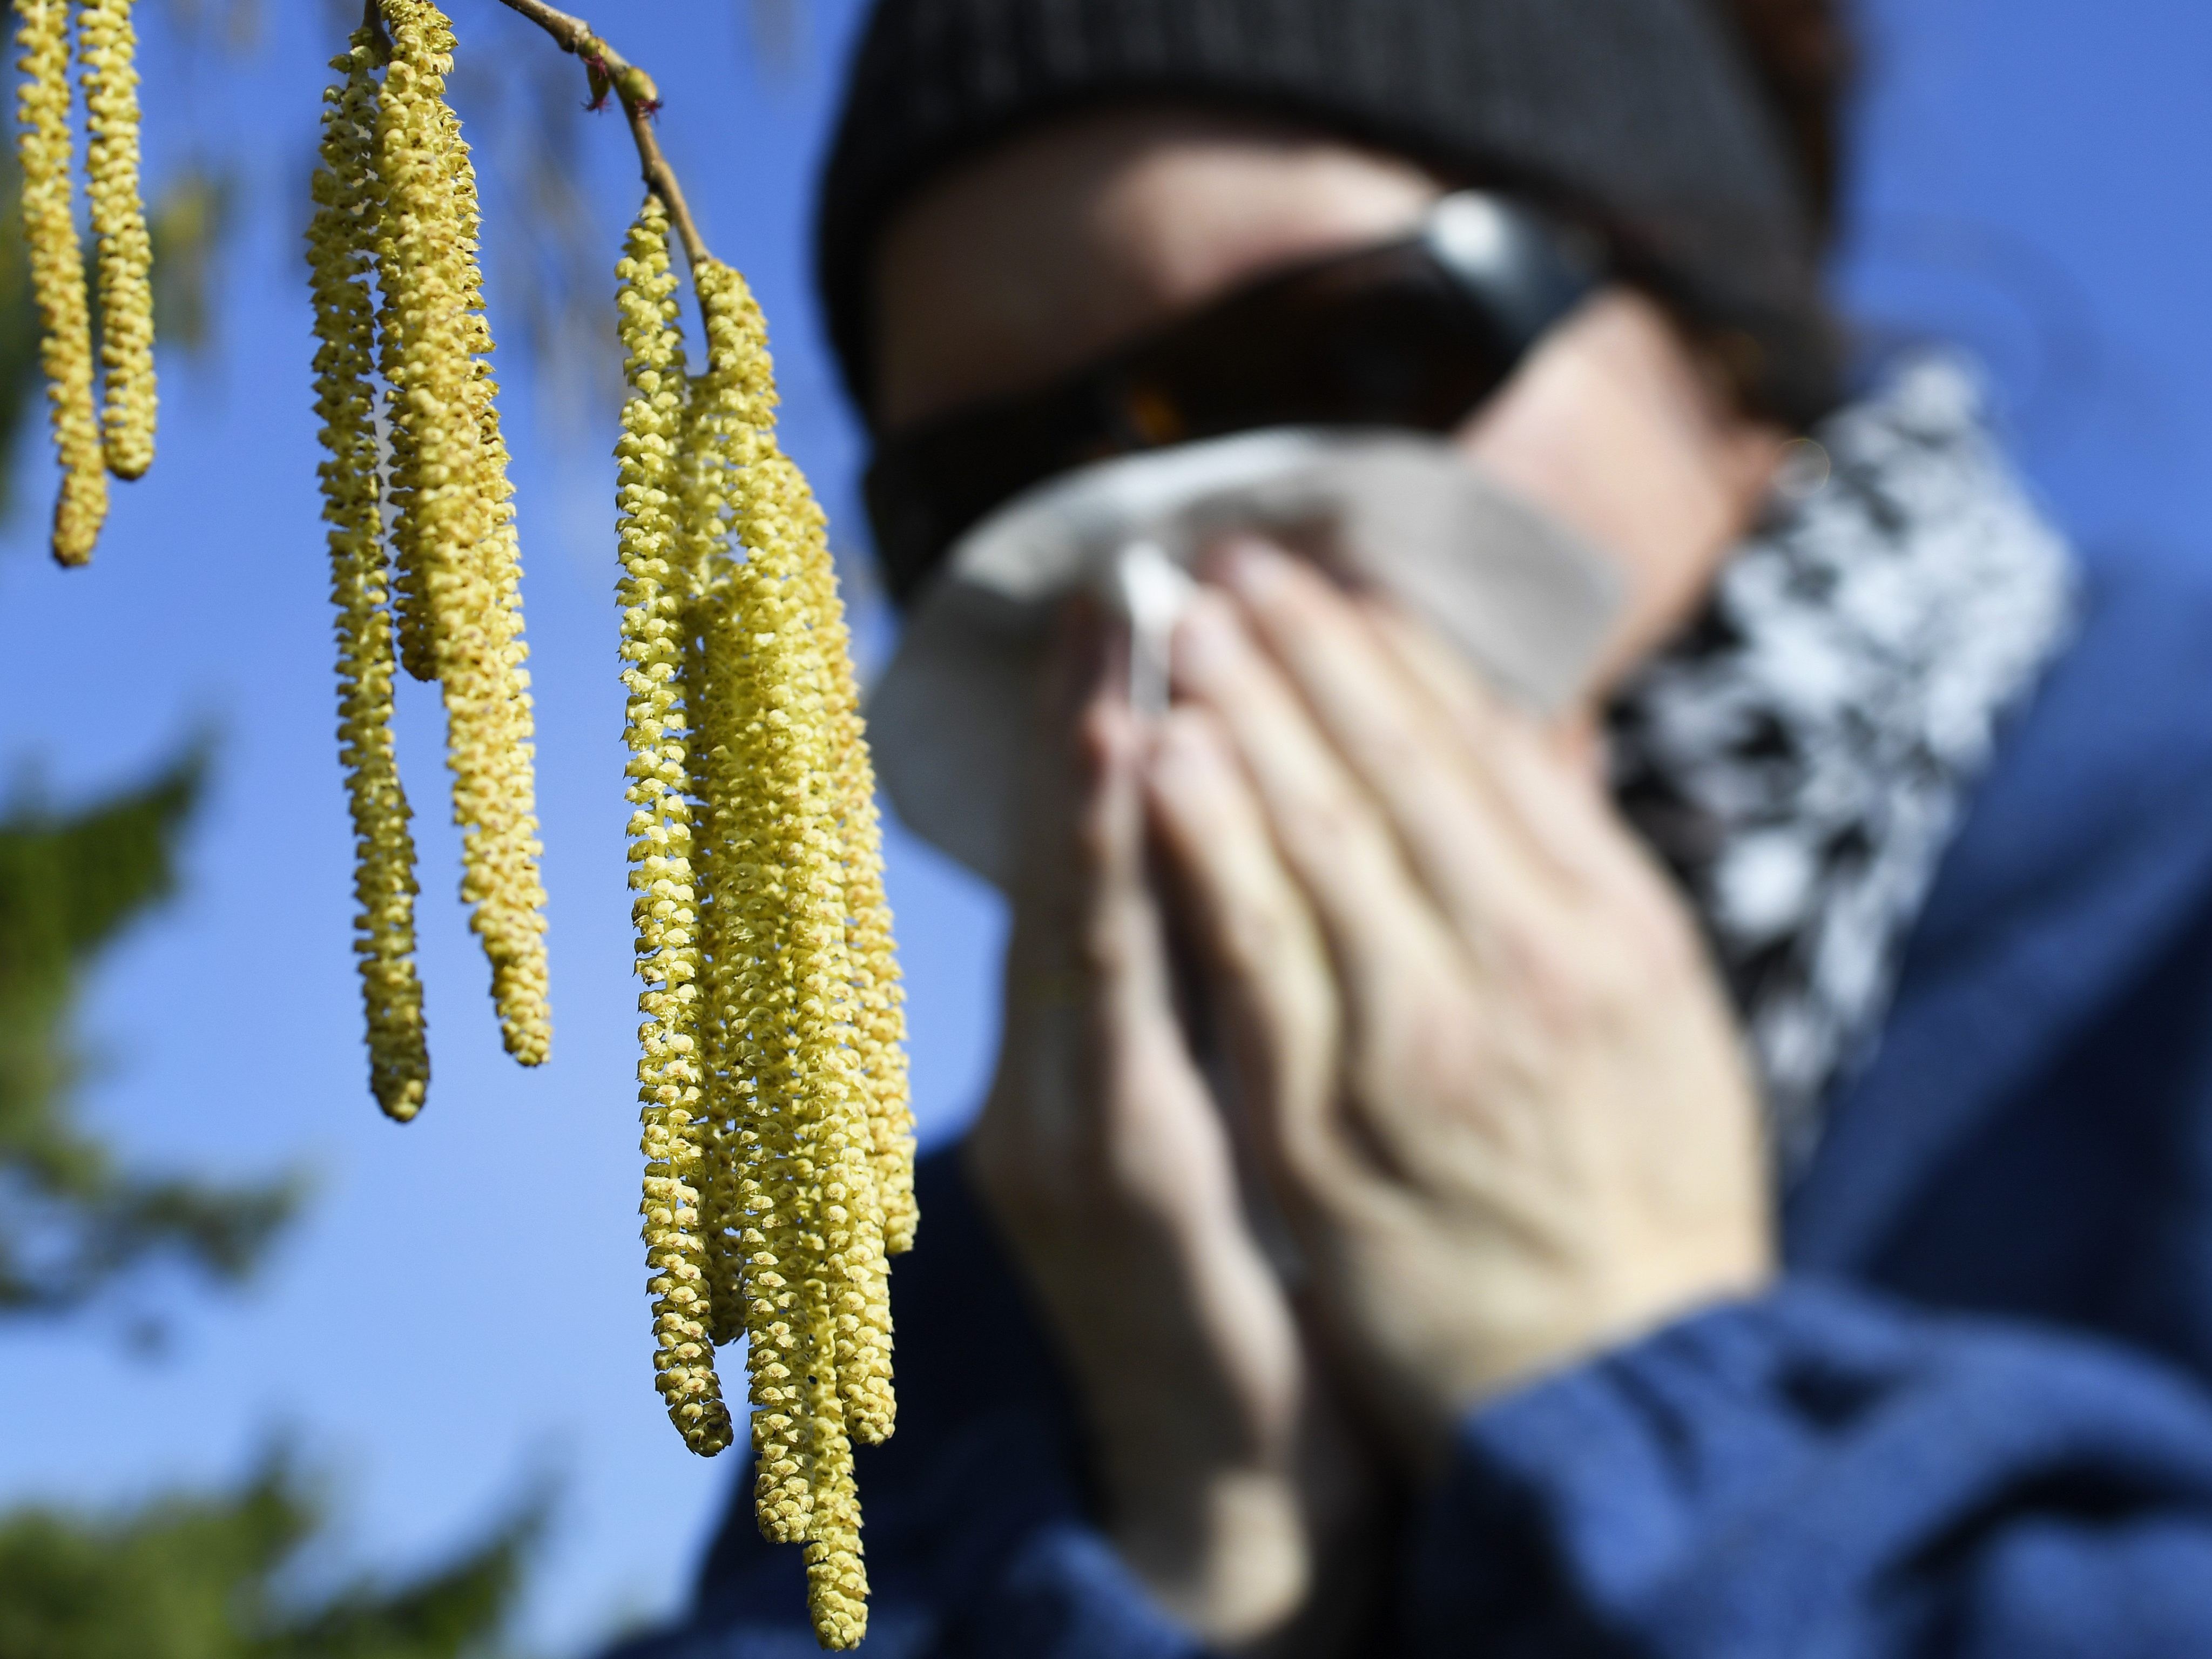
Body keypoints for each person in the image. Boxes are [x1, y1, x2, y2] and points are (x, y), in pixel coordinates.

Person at [616, 1, 2212, 1653]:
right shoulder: (980, 1280)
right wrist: (1189, 1566)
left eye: (1354, 359)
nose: (1173, 569)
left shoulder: (2166, 906)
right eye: (997, 494)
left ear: (1721, 333)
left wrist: (1632, 1400)